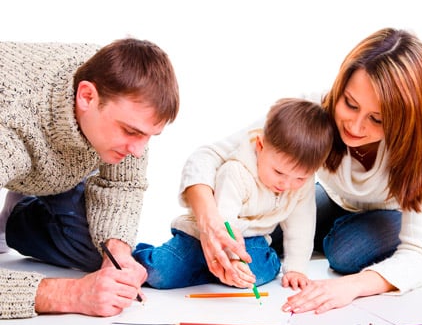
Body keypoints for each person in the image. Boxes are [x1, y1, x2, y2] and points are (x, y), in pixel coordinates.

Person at [177, 27, 422, 313]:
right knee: (260, 222)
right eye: (350, 104)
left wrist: (353, 286)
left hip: (383, 220)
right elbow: (209, 155)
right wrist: (210, 221)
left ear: (405, 119)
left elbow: (420, 254)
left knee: (346, 252)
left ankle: (333, 239)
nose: (355, 127)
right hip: (331, 203)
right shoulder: (313, 112)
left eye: (377, 119)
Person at [0, 38, 180, 319]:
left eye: (148, 137)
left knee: (98, 259)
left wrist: (117, 254)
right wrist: (71, 294)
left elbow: (122, 183)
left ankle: (16, 216)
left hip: (55, 161)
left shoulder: (117, 85)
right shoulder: (8, 129)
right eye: (131, 132)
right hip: (19, 145)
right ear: (86, 97)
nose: (138, 151)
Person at [133, 98, 333, 290]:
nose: (287, 184)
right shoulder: (236, 172)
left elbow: (302, 225)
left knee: (259, 273)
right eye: (279, 172)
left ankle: (209, 273)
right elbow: (224, 220)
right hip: (202, 238)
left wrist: (296, 269)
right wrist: (231, 258)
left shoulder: (301, 185)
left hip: (251, 241)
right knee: (159, 273)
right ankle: (138, 261)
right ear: (260, 146)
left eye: (300, 178)